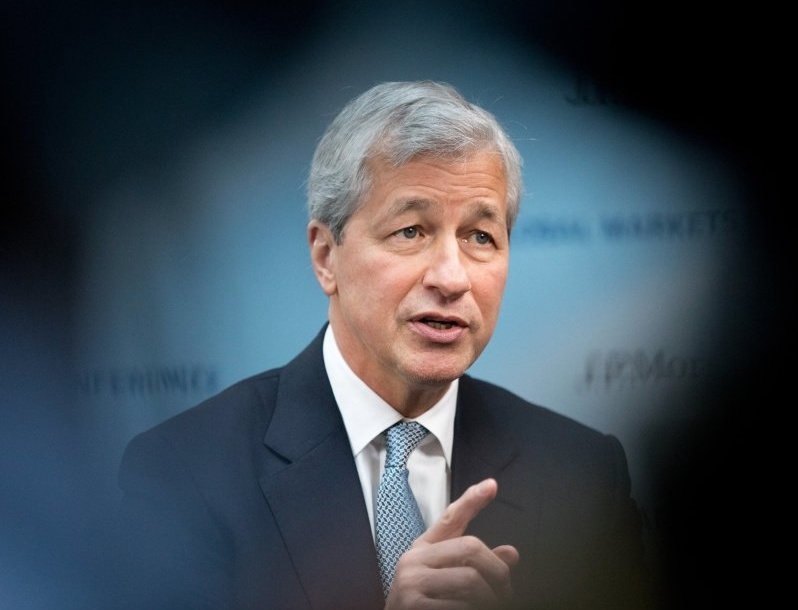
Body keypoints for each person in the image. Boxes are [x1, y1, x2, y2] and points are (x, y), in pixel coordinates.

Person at [111, 80, 648, 610]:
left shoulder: (581, 473)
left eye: (480, 237)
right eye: (411, 231)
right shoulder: (185, 473)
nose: (451, 277)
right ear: (326, 256)